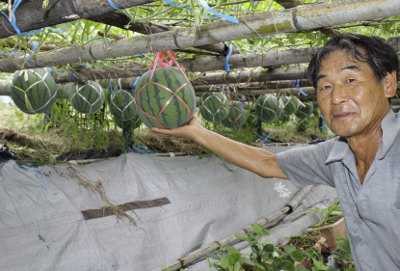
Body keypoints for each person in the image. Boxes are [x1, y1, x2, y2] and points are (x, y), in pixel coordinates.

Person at [151, 34, 400, 270]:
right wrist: (197, 132)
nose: (336, 97)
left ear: (388, 83)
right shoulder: (335, 157)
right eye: (325, 86)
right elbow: (267, 162)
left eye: (350, 80)